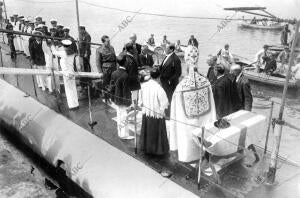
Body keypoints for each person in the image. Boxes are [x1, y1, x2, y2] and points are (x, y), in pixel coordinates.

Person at [169, 45, 216, 162]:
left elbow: (175, 113)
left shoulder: (181, 87)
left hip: (186, 123)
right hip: (204, 123)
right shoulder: (206, 82)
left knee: (187, 134)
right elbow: (212, 109)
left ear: (186, 60)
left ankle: (188, 155)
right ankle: (205, 152)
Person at [139, 69, 169, 155]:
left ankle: (146, 148)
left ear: (151, 76)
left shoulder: (143, 85)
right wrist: (162, 109)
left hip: (147, 113)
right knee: (157, 132)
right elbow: (164, 103)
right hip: (156, 114)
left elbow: (140, 101)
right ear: (159, 77)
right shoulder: (159, 88)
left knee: (147, 130)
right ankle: (157, 150)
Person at [50, 40, 79, 110]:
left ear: (63, 46)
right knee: (73, 88)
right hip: (72, 72)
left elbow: (54, 52)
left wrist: (52, 45)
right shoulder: (72, 53)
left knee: (68, 89)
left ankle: (72, 106)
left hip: (66, 73)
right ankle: (76, 104)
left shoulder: (63, 53)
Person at [110, 54, 133, 139]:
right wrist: (128, 102)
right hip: (123, 99)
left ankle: (120, 132)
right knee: (124, 116)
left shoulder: (114, 73)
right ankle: (124, 135)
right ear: (125, 63)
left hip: (116, 98)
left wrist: (112, 98)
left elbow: (112, 86)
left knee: (119, 115)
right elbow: (126, 90)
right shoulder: (125, 75)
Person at [159, 43, 181, 117]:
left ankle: (169, 115)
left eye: (166, 48)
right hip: (164, 82)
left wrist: (170, 80)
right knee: (165, 98)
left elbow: (178, 73)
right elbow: (162, 67)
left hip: (170, 84)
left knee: (169, 98)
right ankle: (166, 112)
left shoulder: (175, 59)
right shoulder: (167, 56)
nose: (165, 49)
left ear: (171, 50)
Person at [95, 35, 117, 102]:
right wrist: (100, 71)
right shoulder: (99, 50)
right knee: (106, 84)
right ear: (103, 42)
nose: (109, 42)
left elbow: (115, 58)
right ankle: (106, 98)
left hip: (113, 67)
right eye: (107, 41)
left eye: (109, 41)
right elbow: (98, 61)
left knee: (113, 83)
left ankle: (113, 97)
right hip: (106, 69)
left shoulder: (112, 48)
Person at [78, 26, 91, 96]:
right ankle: (83, 84)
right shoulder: (81, 35)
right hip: (81, 54)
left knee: (86, 67)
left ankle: (87, 83)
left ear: (83, 30)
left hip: (85, 54)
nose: (79, 31)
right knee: (82, 67)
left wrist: (86, 53)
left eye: (80, 30)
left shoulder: (87, 35)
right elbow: (80, 44)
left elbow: (87, 45)